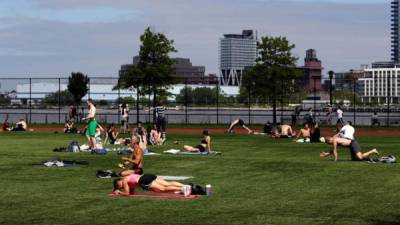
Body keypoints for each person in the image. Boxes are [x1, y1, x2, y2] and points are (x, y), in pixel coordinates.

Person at [112, 173, 191, 196]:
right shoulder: (128, 178)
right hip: (147, 175)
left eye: (118, 185)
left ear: (119, 181)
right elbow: (131, 192)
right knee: (167, 183)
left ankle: (182, 189)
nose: (120, 187)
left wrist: (119, 192)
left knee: (162, 189)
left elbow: (127, 193)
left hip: (144, 180)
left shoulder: (125, 180)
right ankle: (184, 186)